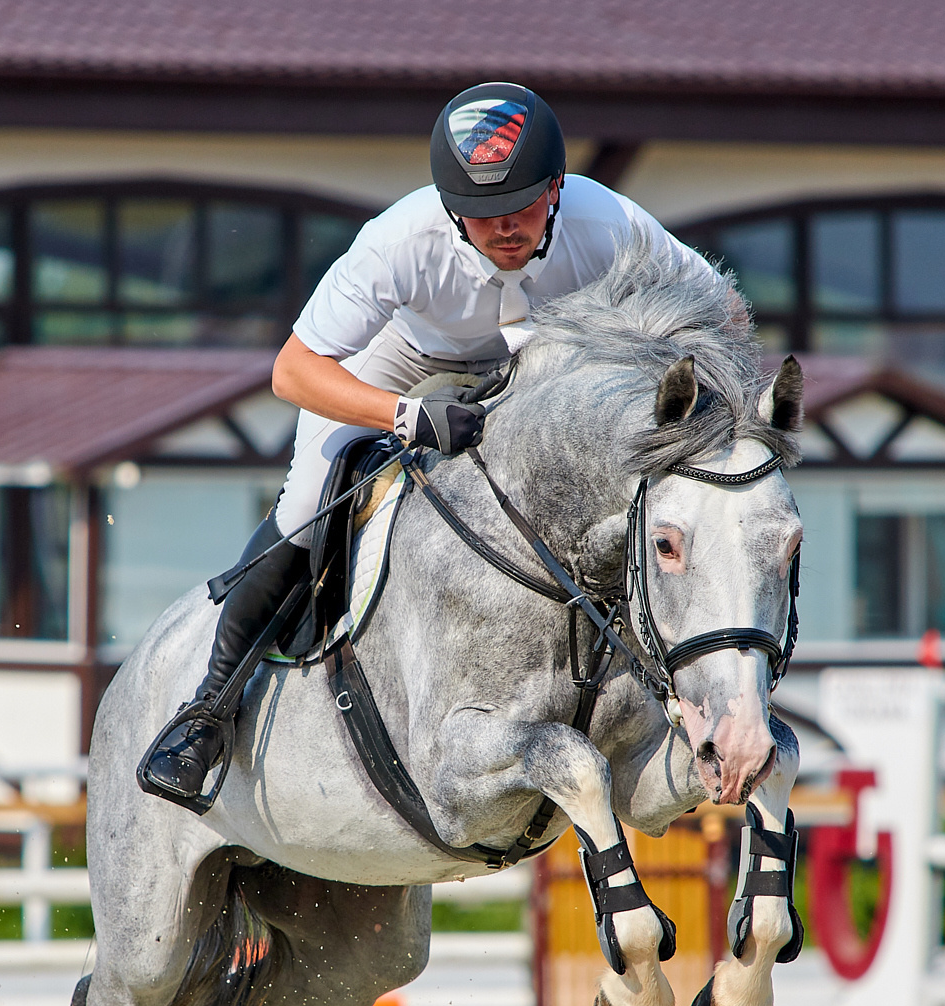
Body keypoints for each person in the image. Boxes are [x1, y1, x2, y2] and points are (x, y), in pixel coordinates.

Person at [138, 81, 707, 808]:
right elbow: (293, 371)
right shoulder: (400, 238)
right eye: (480, 215)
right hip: (400, 365)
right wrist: (404, 417)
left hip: (540, 370)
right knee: (309, 502)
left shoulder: (610, 220)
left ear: (558, 188)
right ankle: (208, 711)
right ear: (448, 207)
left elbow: (716, 309)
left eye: (522, 206)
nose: (504, 229)